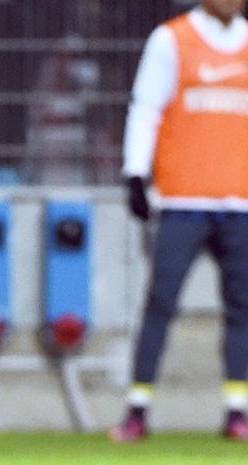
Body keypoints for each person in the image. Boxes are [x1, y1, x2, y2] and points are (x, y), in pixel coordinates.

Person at [110, 0, 248, 442]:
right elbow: (146, 107)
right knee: (161, 303)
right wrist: (136, 173)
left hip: (240, 203)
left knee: (242, 309)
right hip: (182, 199)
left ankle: (236, 411)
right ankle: (137, 409)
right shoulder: (172, 39)